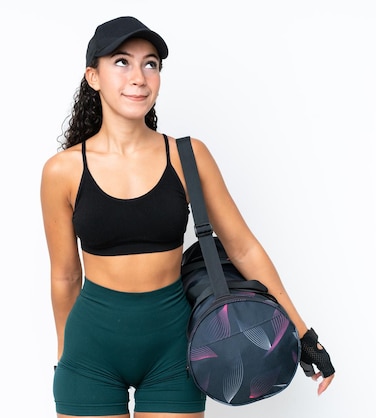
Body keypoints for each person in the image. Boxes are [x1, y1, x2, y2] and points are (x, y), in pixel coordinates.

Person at [40, 16, 335, 418]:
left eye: (151, 64)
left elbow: (243, 248)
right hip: (90, 349)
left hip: (174, 350)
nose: (139, 77)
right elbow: (65, 276)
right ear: (93, 77)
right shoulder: (63, 170)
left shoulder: (187, 156)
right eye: (122, 62)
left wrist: (302, 334)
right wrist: (64, 356)